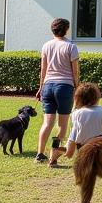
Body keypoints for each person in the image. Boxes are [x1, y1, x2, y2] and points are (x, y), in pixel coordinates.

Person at [35, 17, 79, 166]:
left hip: (48, 86)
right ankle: (53, 157)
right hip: (64, 87)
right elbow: (75, 72)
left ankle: (39, 154)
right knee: (62, 124)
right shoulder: (71, 46)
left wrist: (41, 88)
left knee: (47, 123)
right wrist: (77, 87)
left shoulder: (46, 46)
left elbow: (43, 69)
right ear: (66, 29)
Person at [63, 81, 102, 160]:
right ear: (97, 97)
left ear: (78, 98)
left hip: (83, 148)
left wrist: (69, 152)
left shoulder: (76, 113)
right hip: (100, 147)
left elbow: (73, 135)